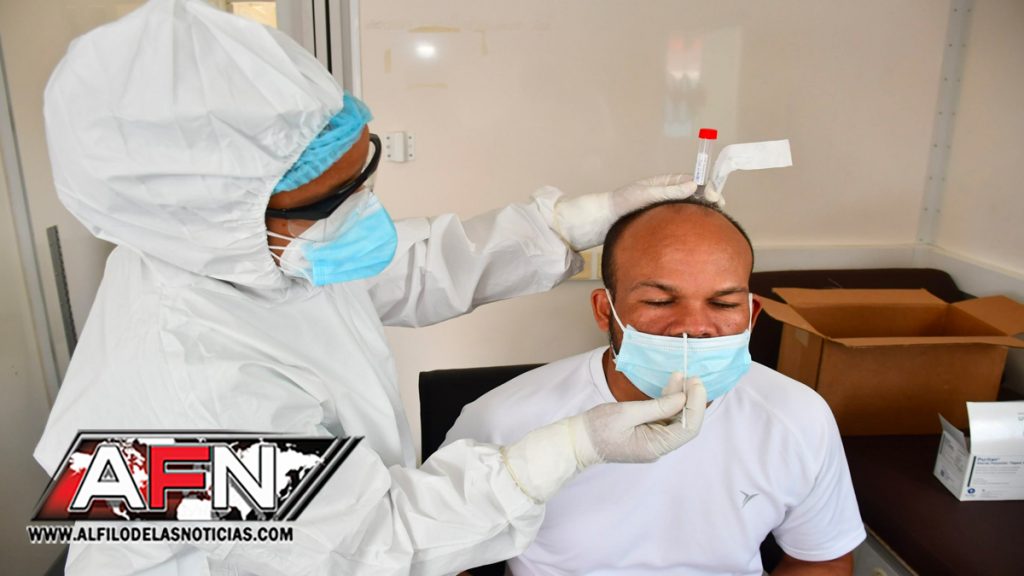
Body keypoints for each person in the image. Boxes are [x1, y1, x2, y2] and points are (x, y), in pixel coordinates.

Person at [33, 1, 710, 574]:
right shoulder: (189, 394)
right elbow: (369, 541)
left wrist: (564, 225)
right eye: (334, 201)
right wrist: (567, 451)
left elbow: (404, 268)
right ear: (217, 216)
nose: (365, 211)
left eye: (365, 171)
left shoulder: (245, 253)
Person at [445, 198, 867, 575]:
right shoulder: (504, 419)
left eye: (723, 303)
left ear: (752, 316)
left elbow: (822, 558)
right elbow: (441, 560)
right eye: (660, 301)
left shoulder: (797, 416)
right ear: (604, 310)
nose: (694, 327)